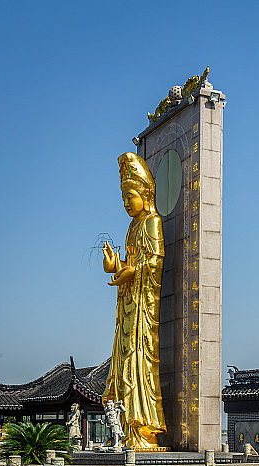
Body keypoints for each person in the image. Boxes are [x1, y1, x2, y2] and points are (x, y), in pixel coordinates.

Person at [102, 152, 167, 450]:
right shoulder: (132, 226)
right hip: (128, 306)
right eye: (123, 198)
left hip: (143, 306)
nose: (126, 203)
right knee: (126, 361)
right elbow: (132, 262)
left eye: (130, 196)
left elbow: (154, 264)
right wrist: (116, 265)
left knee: (140, 363)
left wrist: (131, 271)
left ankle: (144, 428)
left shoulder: (152, 221)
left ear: (145, 193)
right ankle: (129, 429)